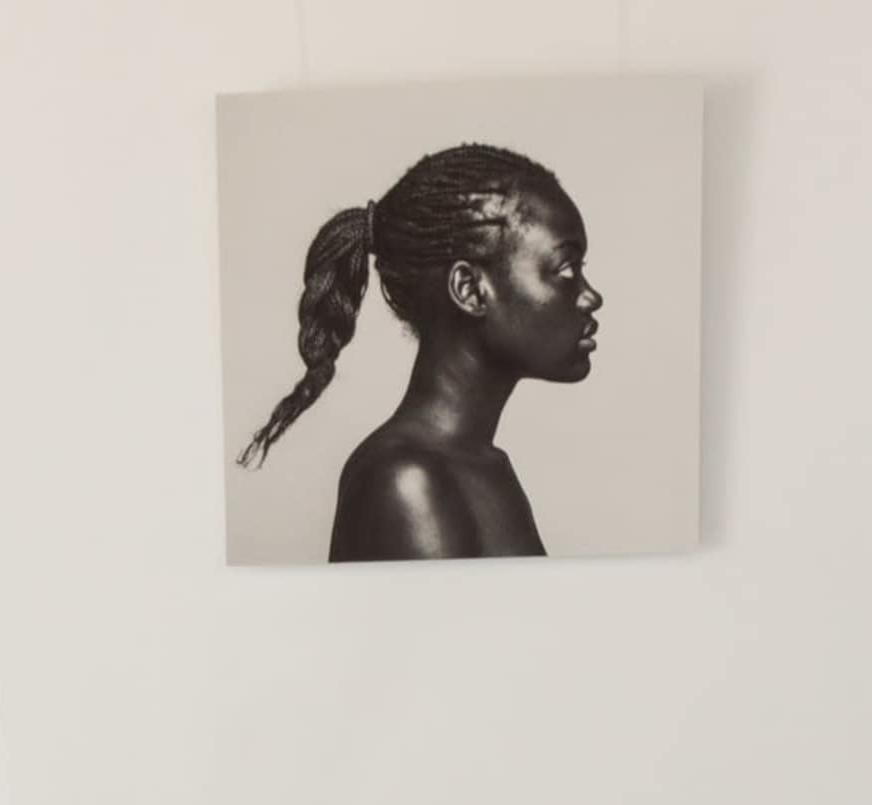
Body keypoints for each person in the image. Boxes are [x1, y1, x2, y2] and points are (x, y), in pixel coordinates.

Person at [236, 142, 603, 560]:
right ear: (470, 290)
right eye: (566, 270)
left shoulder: (485, 467)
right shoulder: (407, 481)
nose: (591, 297)